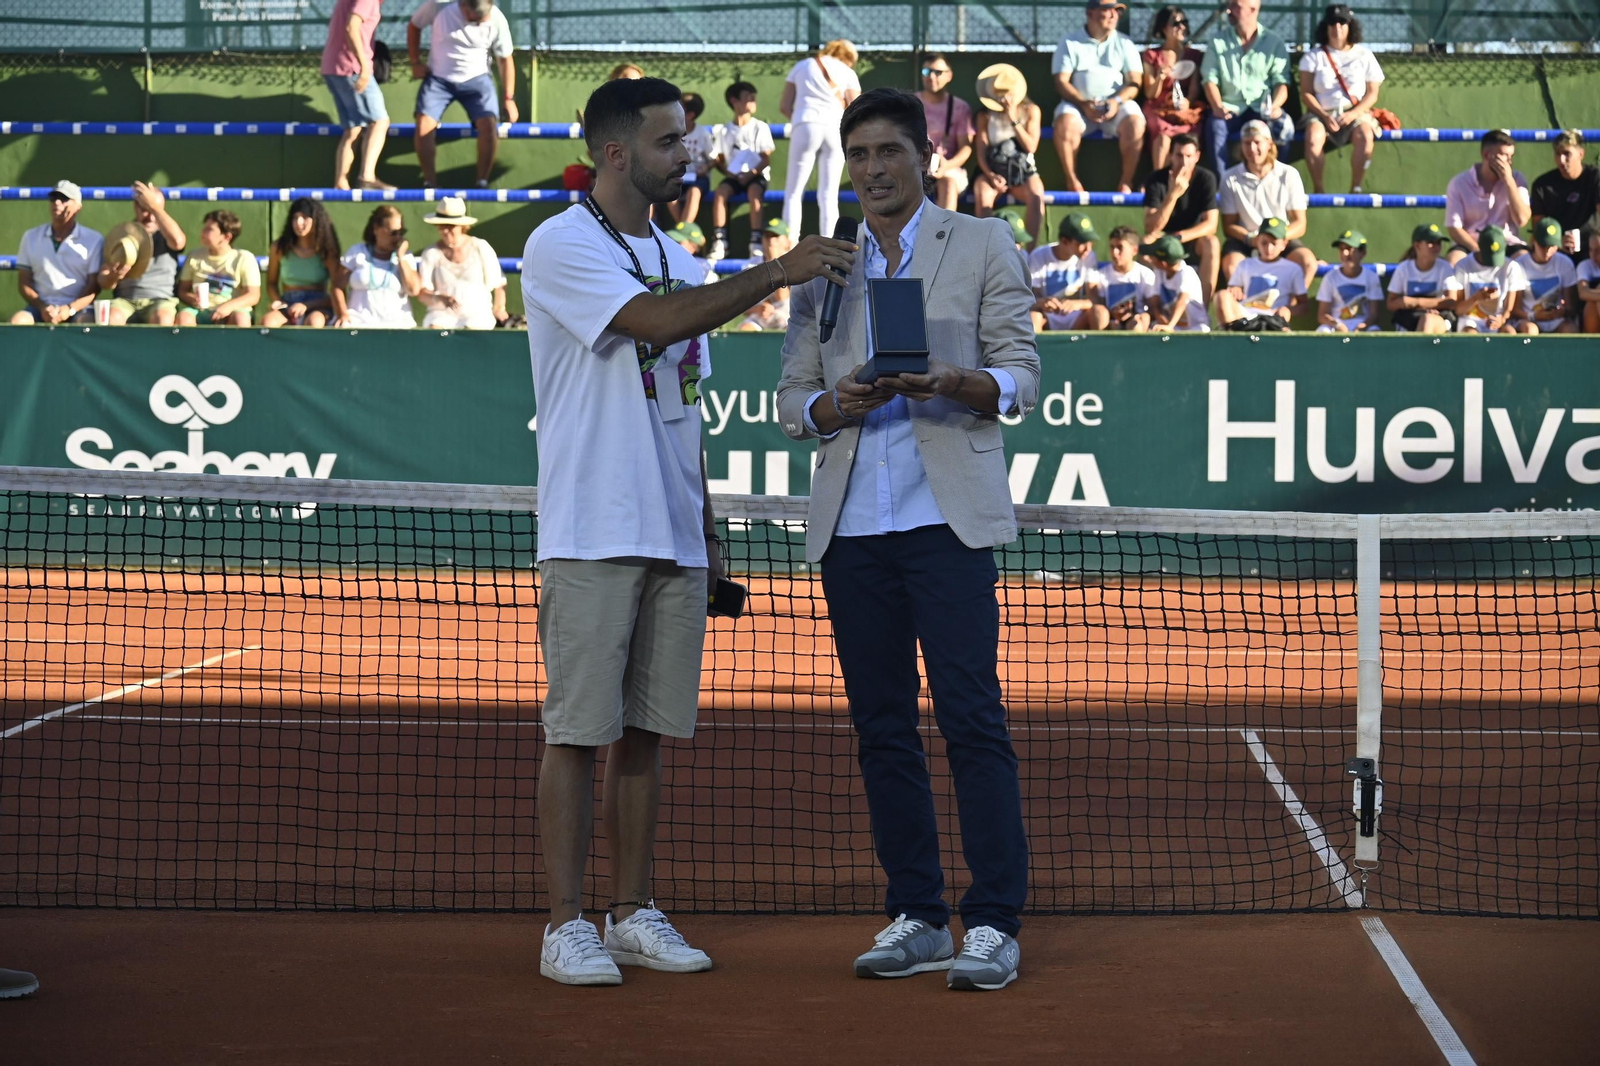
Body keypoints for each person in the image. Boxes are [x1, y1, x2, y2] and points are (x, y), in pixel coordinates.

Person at [520, 75, 853, 986]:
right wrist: (779, 270)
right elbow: (655, 326)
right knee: (578, 732)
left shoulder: (678, 250)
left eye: (689, 140)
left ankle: (632, 911)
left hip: (671, 527)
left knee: (646, 733)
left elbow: (683, 408)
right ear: (617, 152)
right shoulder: (559, 244)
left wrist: (705, 531)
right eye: (671, 142)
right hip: (592, 526)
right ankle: (564, 924)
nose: (690, 155)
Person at [776, 86, 1039, 993]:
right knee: (883, 728)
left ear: (923, 157)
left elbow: (1022, 376)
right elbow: (790, 398)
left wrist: (958, 381)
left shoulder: (980, 243)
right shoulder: (823, 266)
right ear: (846, 166)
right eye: (860, 156)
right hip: (852, 529)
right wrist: (829, 405)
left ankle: (995, 921)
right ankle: (920, 913)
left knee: (972, 719)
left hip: (945, 524)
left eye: (890, 152)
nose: (875, 170)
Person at [408, 0, 516, 188]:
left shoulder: (497, 18)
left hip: (477, 80)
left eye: (483, 19)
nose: (480, 24)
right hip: (439, 79)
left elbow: (505, 60)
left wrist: (508, 98)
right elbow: (414, 26)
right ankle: (430, 183)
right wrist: (415, 62)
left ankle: (481, 182)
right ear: (463, 6)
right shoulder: (438, 6)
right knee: (424, 125)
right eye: (475, 20)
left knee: (489, 125)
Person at [1050, 0, 1146, 195]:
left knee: (1136, 122)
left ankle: (1126, 183)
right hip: (1079, 108)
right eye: (1107, 10)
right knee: (1064, 122)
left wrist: (1116, 102)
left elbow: (1135, 81)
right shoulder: (1069, 42)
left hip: (1117, 107)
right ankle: (1072, 182)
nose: (1113, 15)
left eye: (1117, 11)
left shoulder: (1125, 43)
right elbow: (1061, 81)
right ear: (1091, 13)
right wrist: (1083, 103)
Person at [1218, 119, 1316, 290]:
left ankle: (1285, 311)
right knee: (1232, 265)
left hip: (1281, 238)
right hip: (1246, 241)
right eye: (1246, 143)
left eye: (1257, 142)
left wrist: (1277, 239)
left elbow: (1300, 224)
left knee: (1308, 262)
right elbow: (1229, 226)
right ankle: (1245, 313)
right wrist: (1252, 240)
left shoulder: (1289, 174)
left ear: (1269, 144)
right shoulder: (1229, 177)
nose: (1252, 149)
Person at [779, 40, 862, 242]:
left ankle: (789, 243)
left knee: (793, 191)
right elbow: (856, 107)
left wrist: (800, 118)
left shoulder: (803, 65)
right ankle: (831, 245)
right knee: (828, 194)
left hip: (805, 124)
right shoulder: (848, 72)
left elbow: (784, 105)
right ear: (849, 58)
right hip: (836, 128)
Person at [1298, 5, 1384, 195]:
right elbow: (1306, 93)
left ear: (1350, 26)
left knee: (1365, 136)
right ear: (1325, 26)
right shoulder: (1313, 56)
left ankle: (1356, 188)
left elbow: (1372, 94)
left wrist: (1352, 114)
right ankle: (1319, 190)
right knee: (1313, 137)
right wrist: (1323, 115)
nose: (1337, 28)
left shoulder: (1365, 55)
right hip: (1322, 113)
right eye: (1332, 23)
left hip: (1355, 112)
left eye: (1342, 23)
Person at [1200, 0, 1293, 172]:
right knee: (1215, 126)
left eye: (1236, 6)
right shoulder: (1217, 41)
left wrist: (1275, 107)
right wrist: (1217, 106)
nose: (1229, 10)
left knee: (1283, 127)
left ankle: (1274, 180)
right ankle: (1224, 187)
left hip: (1262, 109)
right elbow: (1209, 80)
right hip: (1229, 108)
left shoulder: (1274, 42)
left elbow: (1281, 82)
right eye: (1230, 5)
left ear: (1253, 10)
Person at [972, 64, 1046, 252]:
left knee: (1037, 194)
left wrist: (1013, 119)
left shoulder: (1031, 111)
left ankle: (1030, 251)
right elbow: (980, 150)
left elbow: (1031, 146)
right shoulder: (984, 115)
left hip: (1023, 171)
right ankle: (988, 252)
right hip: (994, 170)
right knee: (982, 193)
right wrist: (990, 175)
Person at [322, 0, 394, 191]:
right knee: (379, 121)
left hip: (332, 67)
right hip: (351, 68)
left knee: (353, 128)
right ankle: (367, 177)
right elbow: (351, 27)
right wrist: (363, 67)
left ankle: (340, 182)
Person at [10, 180, 103, 325]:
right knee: (17, 322)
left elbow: (94, 286)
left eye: (64, 199)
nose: (57, 203)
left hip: (79, 309)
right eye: (54, 198)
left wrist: (69, 309)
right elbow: (24, 282)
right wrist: (43, 307)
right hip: (39, 308)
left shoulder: (94, 240)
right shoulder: (31, 237)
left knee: (86, 323)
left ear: (78, 206)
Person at [1141, 132, 1220, 303]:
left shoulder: (1206, 179)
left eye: (1189, 156)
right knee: (1146, 242)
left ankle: (1202, 310)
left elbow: (1211, 224)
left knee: (1212, 243)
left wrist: (1178, 237)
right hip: (1162, 239)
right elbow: (1151, 227)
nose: (1184, 162)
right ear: (1170, 155)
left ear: (1197, 156)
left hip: (1189, 239)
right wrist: (1172, 195)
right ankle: (1156, 308)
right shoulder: (1155, 180)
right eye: (1179, 155)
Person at [706, 80, 776, 262]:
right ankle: (720, 241)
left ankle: (756, 242)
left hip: (756, 176)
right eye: (748, 98)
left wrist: (751, 174)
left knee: (755, 192)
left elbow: (765, 158)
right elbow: (720, 161)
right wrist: (731, 174)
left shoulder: (760, 127)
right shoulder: (724, 131)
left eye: (755, 98)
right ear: (734, 101)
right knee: (720, 193)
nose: (753, 101)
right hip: (735, 177)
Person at [417, 196, 507, 328]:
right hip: (441, 315)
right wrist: (441, 299)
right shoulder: (431, 253)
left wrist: (499, 308)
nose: (446, 231)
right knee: (435, 331)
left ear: (462, 226)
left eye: (450, 226)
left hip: (477, 314)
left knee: (473, 331)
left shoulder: (480, 247)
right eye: (442, 226)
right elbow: (423, 293)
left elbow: (499, 283)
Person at [1444, 130, 1531, 264]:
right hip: (1472, 242)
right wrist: (1478, 250)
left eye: (1511, 156)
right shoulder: (1459, 183)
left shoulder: (1517, 179)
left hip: (1507, 242)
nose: (1509, 162)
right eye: (1504, 155)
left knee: (1525, 260)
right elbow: (1454, 228)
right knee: (1453, 260)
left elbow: (1522, 220)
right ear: (1487, 155)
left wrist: (1509, 182)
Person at [105, 180, 185, 326]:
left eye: (154, 210)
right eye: (145, 209)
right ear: (136, 206)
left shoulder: (167, 234)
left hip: (160, 300)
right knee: (111, 317)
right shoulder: (122, 235)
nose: (151, 216)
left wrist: (154, 206)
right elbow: (103, 281)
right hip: (125, 300)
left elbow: (178, 242)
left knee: (163, 318)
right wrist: (114, 276)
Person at [260, 198, 344, 329]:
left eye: (305, 218)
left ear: (317, 221)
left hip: (318, 305)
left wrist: (307, 305)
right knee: (268, 322)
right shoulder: (279, 247)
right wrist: (278, 301)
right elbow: (271, 283)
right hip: (288, 303)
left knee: (315, 322)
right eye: (295, 218)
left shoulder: (327, 251)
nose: (299, 223)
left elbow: (337, 289)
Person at [1141, 5, 1204, 173]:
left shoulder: (1194, 55)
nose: (1181, 27)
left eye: (1184, 22)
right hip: (1158, 108)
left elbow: (1194, 88)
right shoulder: (1152, 55)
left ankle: (1184, 179)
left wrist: (1188, 102)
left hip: (1183, 109)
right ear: (1163, 28)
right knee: (1162, 136)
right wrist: (1160, 78)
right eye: (1175, 23)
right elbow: (1150, 94)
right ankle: (1159, 182)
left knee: (1192, 132)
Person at [1213, 216, 1309, 327]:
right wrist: (1235, 290)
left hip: (1274, 318)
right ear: (1257, 241)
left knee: (1284, 313)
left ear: (1284, 244)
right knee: (1222, 295)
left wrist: (1287, 310)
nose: (1269, 248)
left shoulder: (1293, 269)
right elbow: (1234, 291)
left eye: (1274, 243)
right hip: (1245, 317)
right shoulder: (1245, 264)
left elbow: (1304, 306)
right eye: (1264, 243)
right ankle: (1231, 336)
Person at [340, 206, 422, 328]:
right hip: (358, 324)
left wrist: (400, 257)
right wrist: (342, 313)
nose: (398, 237)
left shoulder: (405, 257)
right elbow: (337, 285)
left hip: (397, 326)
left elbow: (414, 290)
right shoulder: (357, 252)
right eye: (393, 232)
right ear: (376, 229)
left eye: (401, 232)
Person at [175, 210, 260, 326]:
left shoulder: (244, 258)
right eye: (204, 228)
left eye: (209, 229)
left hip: (232, 309)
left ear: (226, 237)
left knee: (241, 318)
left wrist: (227, 307)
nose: (203, 232)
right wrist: (192, 299)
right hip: (201, 310)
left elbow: (253, 295)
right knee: (183, 317)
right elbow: (183, 291)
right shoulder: (194, 256)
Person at [916, 54, 975, 213]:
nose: (931, 77)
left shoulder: (960, 108)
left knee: (948, 183)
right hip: (915, 166)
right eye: (926, 72)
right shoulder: (910, 103)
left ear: (949, 75)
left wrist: (946, 165)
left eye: (938, 72)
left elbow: (966, 147)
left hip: (948, 168)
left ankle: (943, 235)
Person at [1027, 212, 1104, 332]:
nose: (1088, 248)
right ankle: (1037, 350)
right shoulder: (1038, 256)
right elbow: (1030, 300)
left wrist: (1077, 304)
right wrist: (1043, 303)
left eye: (1090, 242)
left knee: (1100, 312)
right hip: (1047, 317)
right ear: (1064, 241)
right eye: (1081, 243)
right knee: (1033, 317)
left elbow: (1094, 300)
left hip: (1077, 317)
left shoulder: (1089, 256)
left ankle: (1099, 350)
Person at [1531, 130, 1600, 261]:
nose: (1562, 160)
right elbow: (1538, 229)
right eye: (1558, 154)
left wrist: (1595, 243)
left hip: (1593, 250)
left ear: (1581, 154)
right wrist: (1557, 241)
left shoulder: (1595, 177)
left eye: (1567, 154)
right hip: (1556, 251)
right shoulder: (1542, 185)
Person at [1445, 226, 1527, 334]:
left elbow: (1509, 310)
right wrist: (1476, 298)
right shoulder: (1463, 266)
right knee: (1470, 334)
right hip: (1470, 322)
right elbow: (1458, 310)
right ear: (1479, 246)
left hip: (1499, 322)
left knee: (1510, 332)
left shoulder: (1511, 267)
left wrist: (1501, 320)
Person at [1386, 222, 1456, 334]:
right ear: (1417, 245)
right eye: (1431, 242)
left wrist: (1416, 302)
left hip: (1438, 318)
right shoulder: (1403, 268)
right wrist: (1404, 303)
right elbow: (1391, 304)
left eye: (1438, 243)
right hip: (1408, 320)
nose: (1436, 247)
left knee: (1428, 320)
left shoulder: (1445, 267)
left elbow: (1451, 301)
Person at [1513, 218, 1579, 334]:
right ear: (1533, 241)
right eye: (1543, 245)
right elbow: (1515, 310)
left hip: (1556, 320)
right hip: (1528, 319)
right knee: (1530, 330)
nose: (1547, 251)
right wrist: (1535, 316)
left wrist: (1561, 312)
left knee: (1571, 329)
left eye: (1552, 246)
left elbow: (1571, 308)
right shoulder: (1519, 264)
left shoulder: (1565, 263)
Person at [1314, 228, 1383, 332]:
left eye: (1349, 248)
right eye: (1341, 249)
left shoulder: (1371, 277)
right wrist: (1337, 325)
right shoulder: (1330, 277)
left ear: (1363, 253)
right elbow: (1322, 315)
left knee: (1375, 331)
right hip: (1336, 327)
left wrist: (1363, 326)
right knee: (1323, 331)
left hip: (1362, 326)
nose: (1345, 253)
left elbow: (1374, 314)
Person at [1092, 225, 1156, 330]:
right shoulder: (1101, 275)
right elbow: (1100, 309)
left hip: (1136, 322)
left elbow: (1154, 310)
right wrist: (1114, 315)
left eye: (1120, 247)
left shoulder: (1145, 274)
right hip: (1111, 323)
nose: (1114, 252)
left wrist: (1132, 315)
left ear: (1134, 250)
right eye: (1112, 247)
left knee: (1138, 322)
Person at [1143, 233, 1210, 331]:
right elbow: (1155, 304)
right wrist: (1165, 324)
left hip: (1194, 328)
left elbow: (1182, 301)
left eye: (1152, 257)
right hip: (1173, 326)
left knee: (1202, 329)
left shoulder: (1187, 273)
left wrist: (1169, 326)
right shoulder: (1159, 271)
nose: (1149, 259)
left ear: (1163, 263)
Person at [668, 93, 714, 227]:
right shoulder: (672, 132)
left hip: (698, 178)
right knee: (669, 191)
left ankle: (684, 229)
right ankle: (683, 229)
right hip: (678, 176)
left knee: (694, 192)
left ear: (690, 115)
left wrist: (704, 169)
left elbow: (714, 159)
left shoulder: (702, 134)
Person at [739, 219, 794, 330]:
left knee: (792, 331)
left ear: (787, 241)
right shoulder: (751, 265)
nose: (771, 240)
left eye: (776, 236)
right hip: (760, 316)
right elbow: (741, 305)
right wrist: (757, 309)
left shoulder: (795, 263)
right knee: (744, 329)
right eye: (767, 236)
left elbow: (782, 299)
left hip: (788, 316)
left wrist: (773, 260)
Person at [1578, 231, 1600, 333]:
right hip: (1590, 318)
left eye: (1599, 250)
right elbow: (1583, 292)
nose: (1594, 255)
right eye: (1591, 250)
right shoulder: (1585, 266)